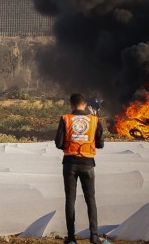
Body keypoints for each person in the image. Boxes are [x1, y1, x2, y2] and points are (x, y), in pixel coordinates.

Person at [55, 93, 105, 244]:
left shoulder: (66, 119)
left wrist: (71, 144)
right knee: (91, 199)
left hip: (70, 163)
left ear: (71, 105)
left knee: (70, 200)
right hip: (88, 163)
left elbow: (58, 143)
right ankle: (94, 236)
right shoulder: (94, 120)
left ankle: (71, 238)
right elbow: (100, 144)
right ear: (85, 104)